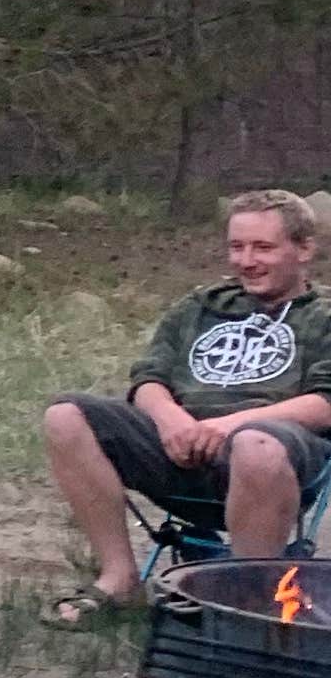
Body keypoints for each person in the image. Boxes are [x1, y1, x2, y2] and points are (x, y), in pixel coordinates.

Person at [41, 191, 331, 620]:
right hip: (179, 451)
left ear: (304, 249)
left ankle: (246, 601)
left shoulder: (322, 316)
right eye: (237, 247)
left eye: (263, 248)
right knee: (65, 416)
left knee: (255, 444)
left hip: (272, 458)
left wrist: (228, 426)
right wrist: (171, 420)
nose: (246, 261)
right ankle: (120, 580)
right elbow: (148, 379)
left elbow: (325, 403)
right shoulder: (199, 307)